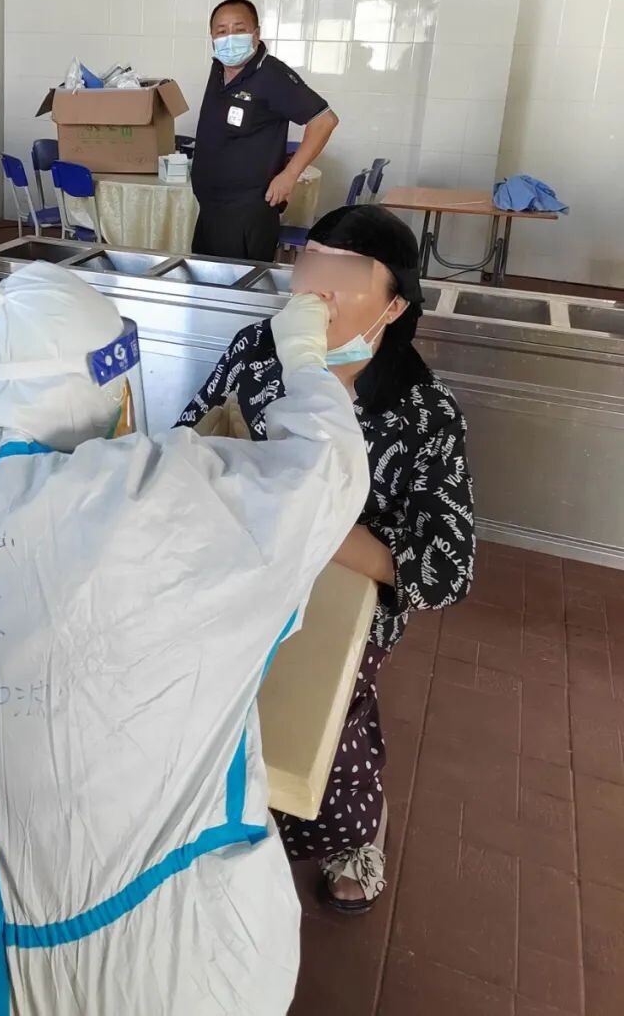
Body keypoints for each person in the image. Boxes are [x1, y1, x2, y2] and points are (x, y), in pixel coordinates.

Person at [0, 262, 370, 1015]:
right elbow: (325, 475)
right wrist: (306, 360)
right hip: (144, 973)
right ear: (115, 386)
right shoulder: (152, 497)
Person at [178, 203, 475, 912]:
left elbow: (448, 567)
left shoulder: (424, 412)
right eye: (308, 264)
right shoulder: (259, 349)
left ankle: (355, 833)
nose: (314, 289)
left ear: (394, 306)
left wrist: (313, 518)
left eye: (344, 276)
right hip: (240, 568)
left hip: (344, 598)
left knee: (322, 724)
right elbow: (190, 434)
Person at [191, 0, 338, 262]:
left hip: (246, 214)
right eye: (221, 31)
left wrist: (290, 174)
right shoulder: (219, 70)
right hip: (211, 210)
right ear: (212, 37)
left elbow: (324, 120)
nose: (229, 37)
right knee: (205, 281)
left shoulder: (271, 75)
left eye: (239, 29)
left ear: (256, 34)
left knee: (239, 284)